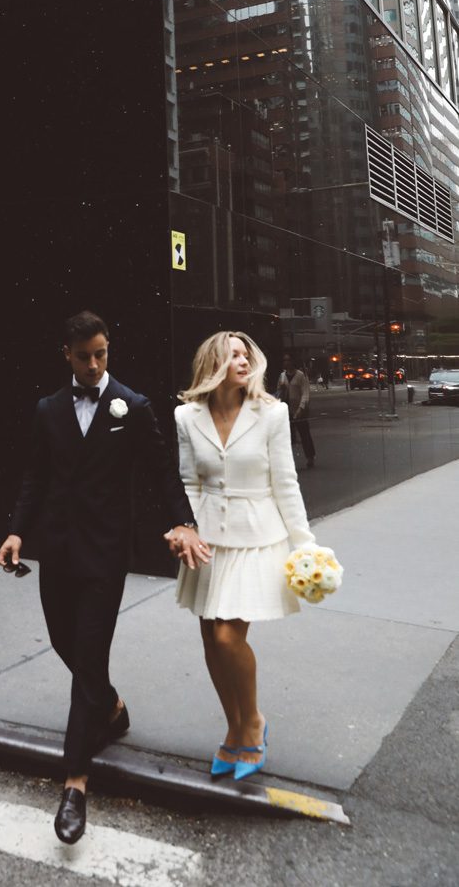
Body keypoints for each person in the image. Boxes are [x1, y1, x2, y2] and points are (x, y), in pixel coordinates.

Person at [0, 311, 208, 844]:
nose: (94, 365)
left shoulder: (131, 407)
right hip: (56, 551)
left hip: (107, 555)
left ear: (108, 349)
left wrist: (183, 521)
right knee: (63, 641)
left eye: (102, 354)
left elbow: (163, 470)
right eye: (84, 356)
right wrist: (17, 532)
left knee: (87, 654)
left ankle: (75, 784)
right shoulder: (47, 410)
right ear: (65, 354)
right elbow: (34, 475)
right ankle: (110, 706)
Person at [167, 331, 315, 781]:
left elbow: (285, 483)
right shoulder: (186, 417)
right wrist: (185, 529)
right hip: (208, 541)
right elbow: (188, 481)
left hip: (258, 538)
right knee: (211, 640)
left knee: (230, 638)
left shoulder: (272, 413)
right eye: (233, 355)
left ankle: (253, 721)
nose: (243, 360)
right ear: (213, 362)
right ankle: (233, 729)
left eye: (246, 353)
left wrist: (305, 544)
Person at [277, 353, 316, 468]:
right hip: (286, 410)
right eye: (284, 360)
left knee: (304, 434)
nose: (286, 363)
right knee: (287, 436)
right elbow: (278, 392)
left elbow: (305, 393)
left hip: (299, 410)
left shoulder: (300, 376)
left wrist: (301, 408)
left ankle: (310, 457)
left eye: (288, 360)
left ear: (293, 362)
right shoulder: (282, 376)